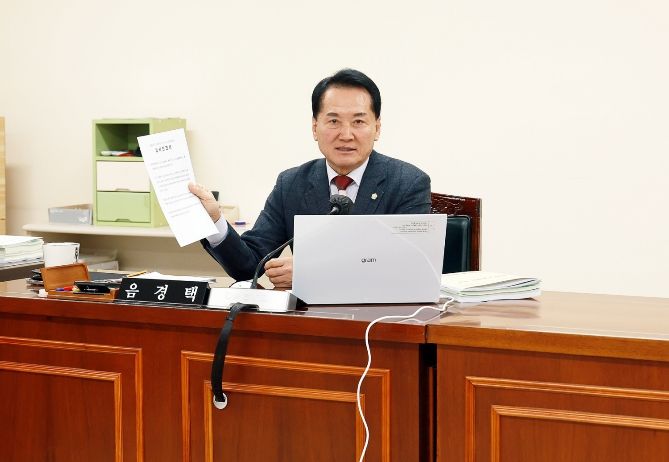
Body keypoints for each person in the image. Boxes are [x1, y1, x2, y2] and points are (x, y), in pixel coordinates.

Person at [189, 68, 431, 288]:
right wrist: (215, 221)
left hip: (378, 317)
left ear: (377, 128)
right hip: (306, 317)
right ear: (315, 127)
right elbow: (248, 265)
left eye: (358, 121)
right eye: (334, 121)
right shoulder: (291, 184)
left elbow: (407, 267)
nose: (346, 134)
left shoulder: (408, 183)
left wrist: (313, 272)